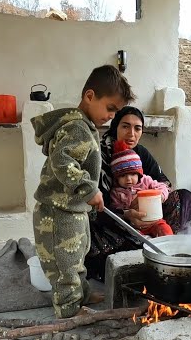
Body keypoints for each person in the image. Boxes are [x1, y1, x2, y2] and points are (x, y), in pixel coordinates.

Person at [31, 65, 135, 319]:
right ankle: (69, 311)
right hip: (57, 213)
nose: (111, 116)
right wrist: (89, 189)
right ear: (90, 96)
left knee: (78, 256)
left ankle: (83, 293)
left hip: (73, 208)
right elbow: (62, 162)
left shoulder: (85, 126)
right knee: (65, 265)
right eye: (110, 108)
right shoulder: (77, 127)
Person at [85, 106, 191, 280]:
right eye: (125, 126)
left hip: (150, 217)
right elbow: (98, 206)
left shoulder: (141, 153)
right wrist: (127, 214)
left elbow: (164, 183)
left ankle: (169, 243)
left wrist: (151, 198)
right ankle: (144, 247)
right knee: (90, 228)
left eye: (137, 128)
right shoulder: (100, 156)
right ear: (115, 127)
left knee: (184, 197)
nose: (132, 133)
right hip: (116, 221)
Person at [110, 140, 173, 238]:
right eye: (123, 175)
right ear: (116, 177)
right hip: (133, 226)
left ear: (139, 173)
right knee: (135, 239)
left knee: (165, 230)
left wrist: (160, 196)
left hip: (154, 221)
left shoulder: (145, 181)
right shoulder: (116, 192)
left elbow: (162, 186)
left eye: (133, 174)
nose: (128, 179)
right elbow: (117, 211)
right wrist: (127, 213)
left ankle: (170, 246)